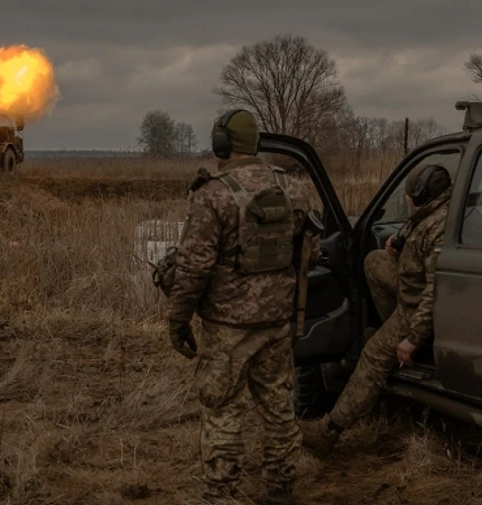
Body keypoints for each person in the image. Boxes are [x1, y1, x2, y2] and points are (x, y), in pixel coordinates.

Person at [166, 109, 316, 504]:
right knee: (278, 406)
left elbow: (193, 268)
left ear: (221, 144)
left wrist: (177, 321)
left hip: (228, 327)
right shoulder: (293, 189)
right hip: (276, 322)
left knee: (222, 410)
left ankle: (221, 494)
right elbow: (303, 252)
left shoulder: (212, 194)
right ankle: (282, 489)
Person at [300, 164, 452, 455]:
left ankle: (329, 430)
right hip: (411, 285)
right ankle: (390, 331)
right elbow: (414, 244)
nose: (407, 198)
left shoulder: (439, 229)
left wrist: (412, 337)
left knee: (371, 356)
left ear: (420, 194)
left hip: (417, 307)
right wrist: (397, 246)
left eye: (409, 193)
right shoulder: (431, 213)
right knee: (373, 260)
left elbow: (435, 292)